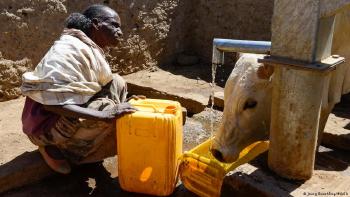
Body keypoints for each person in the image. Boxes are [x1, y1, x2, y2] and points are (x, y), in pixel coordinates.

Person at [21, 4, 141, 174]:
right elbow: (51, 105)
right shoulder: (66, 51)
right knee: (105, 110)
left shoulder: (86, 47)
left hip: (60, 117)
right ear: (96, 24)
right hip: (44, 127)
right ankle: (60, 150)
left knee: (117, 82)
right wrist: (105, 115)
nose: (120, 32)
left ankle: (86, 141)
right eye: (114, 25)